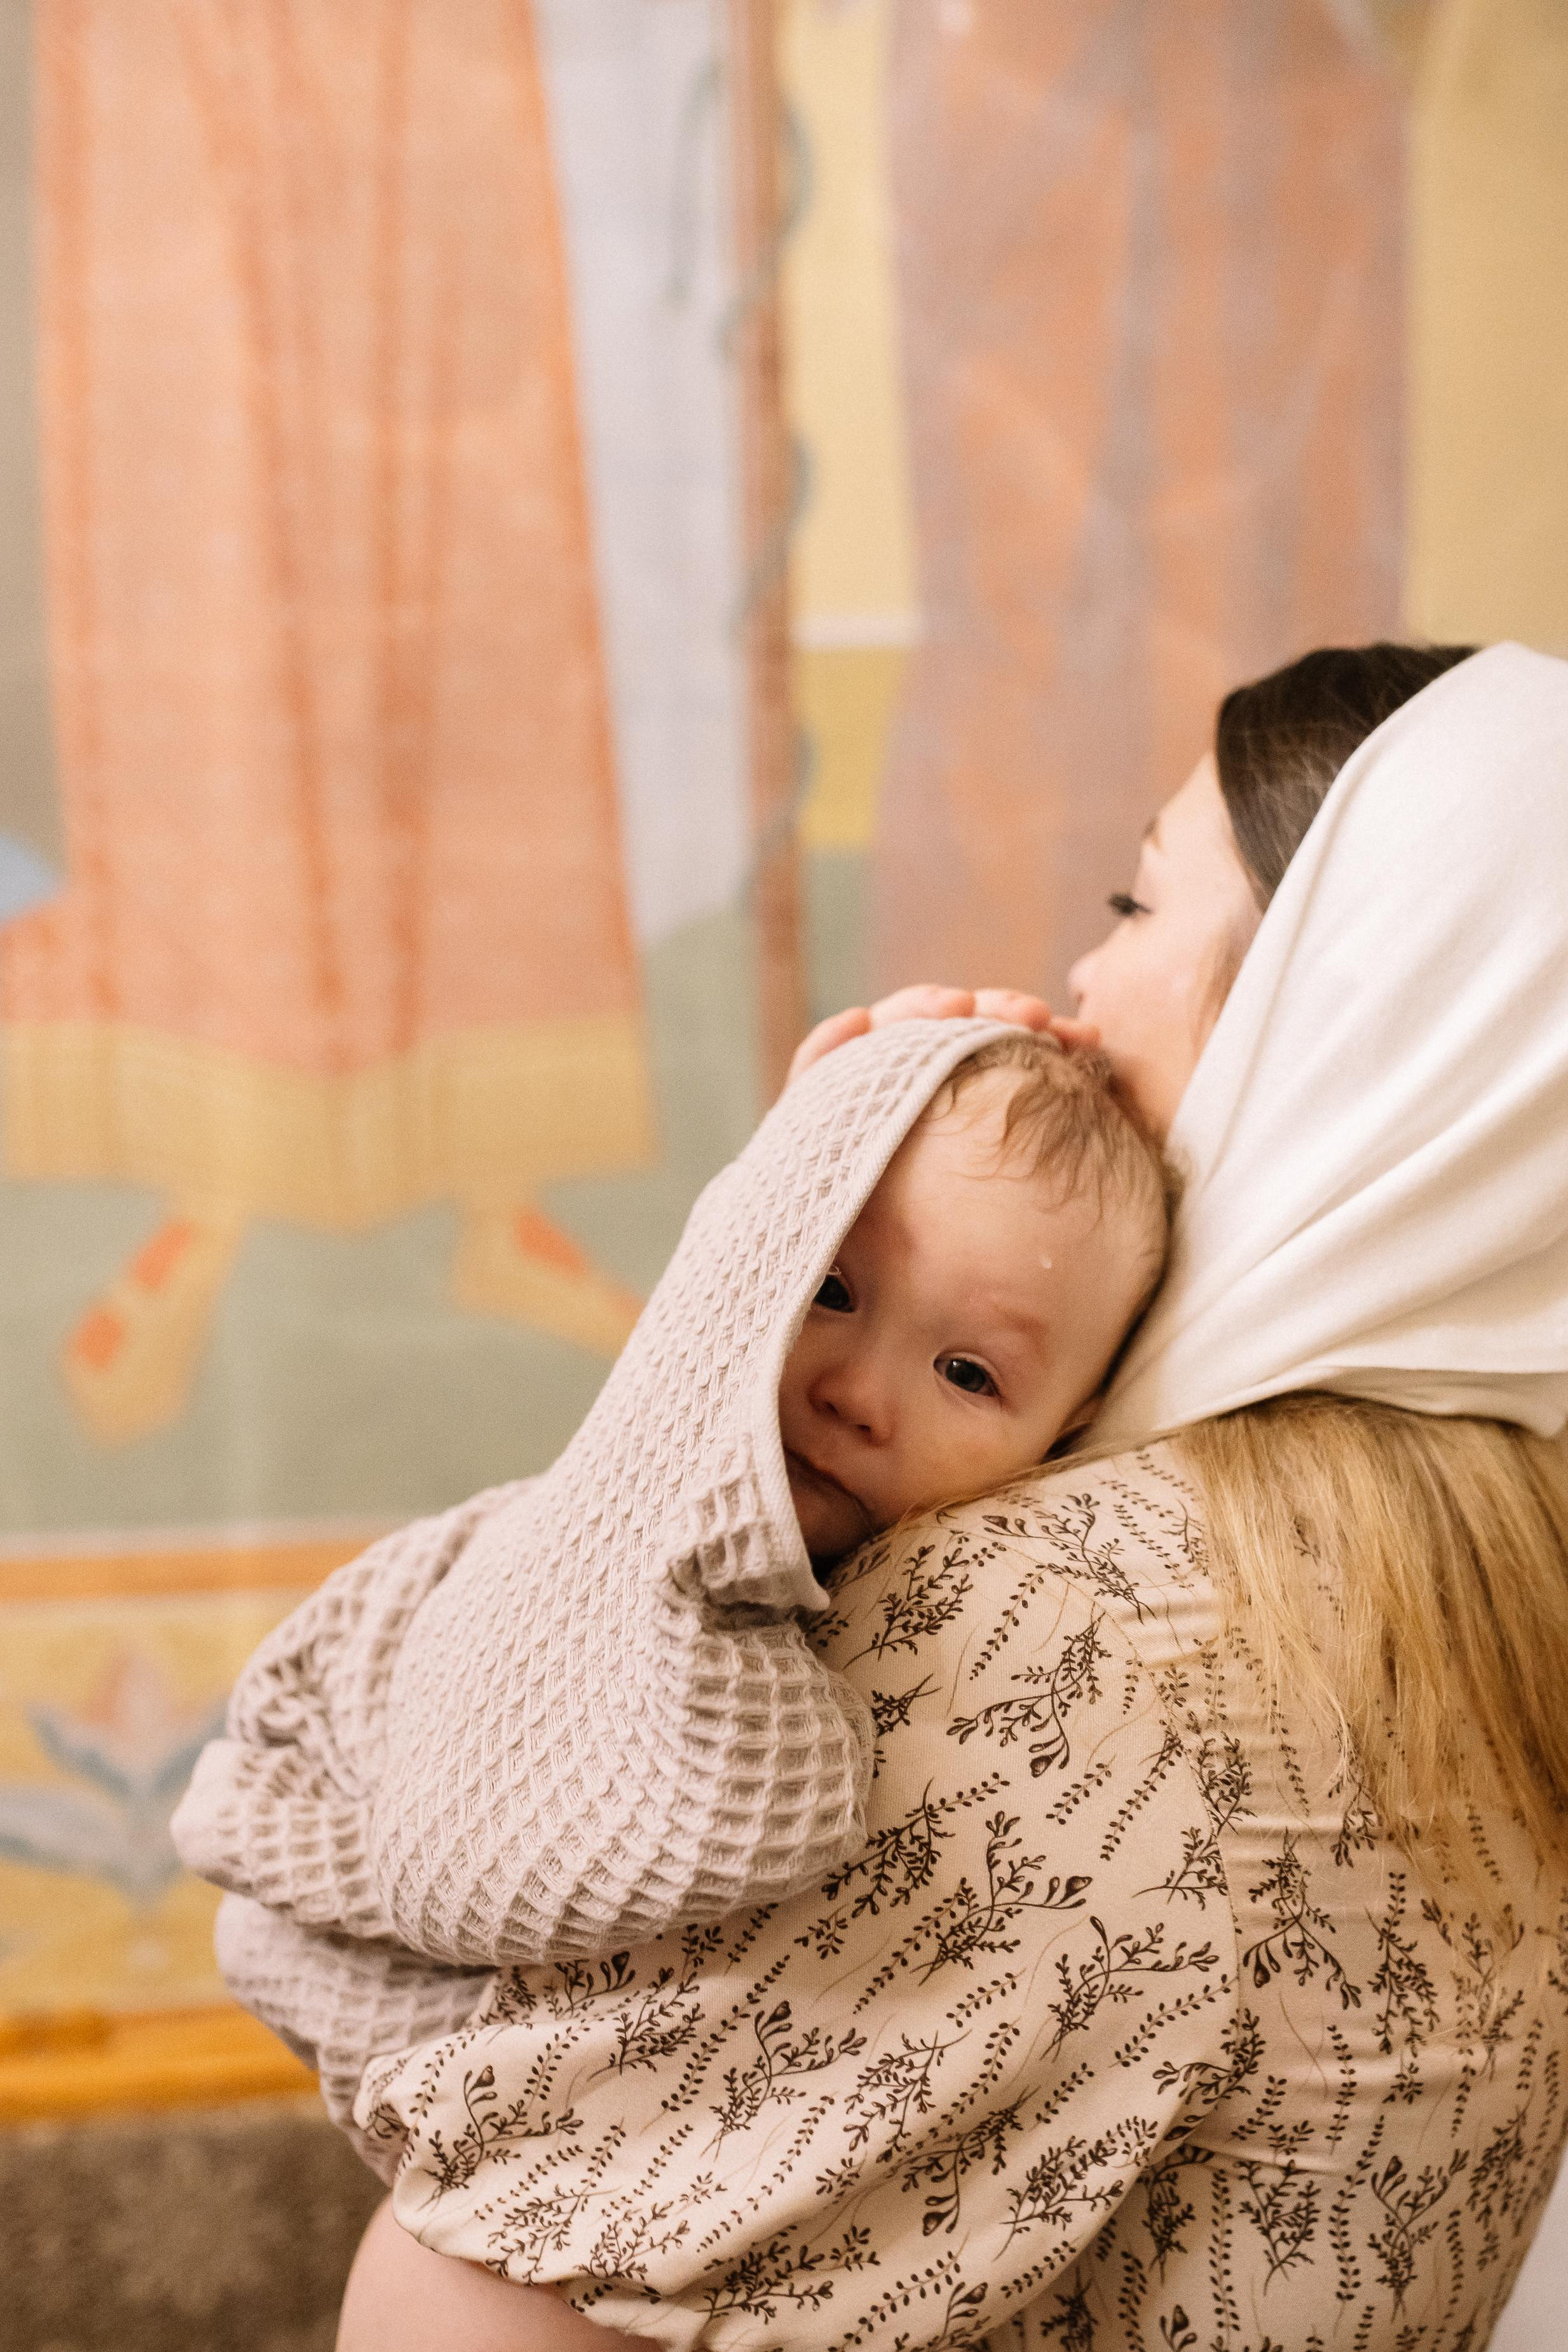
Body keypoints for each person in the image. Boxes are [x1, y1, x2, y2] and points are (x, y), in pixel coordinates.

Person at [338, 639, 1568, 2351]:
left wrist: (763, 1271)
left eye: (1137, 909)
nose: (1076, 974)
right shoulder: (1492, 1567)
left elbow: (496, 2238)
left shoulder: (1090, 1616)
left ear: (1324, 1025)